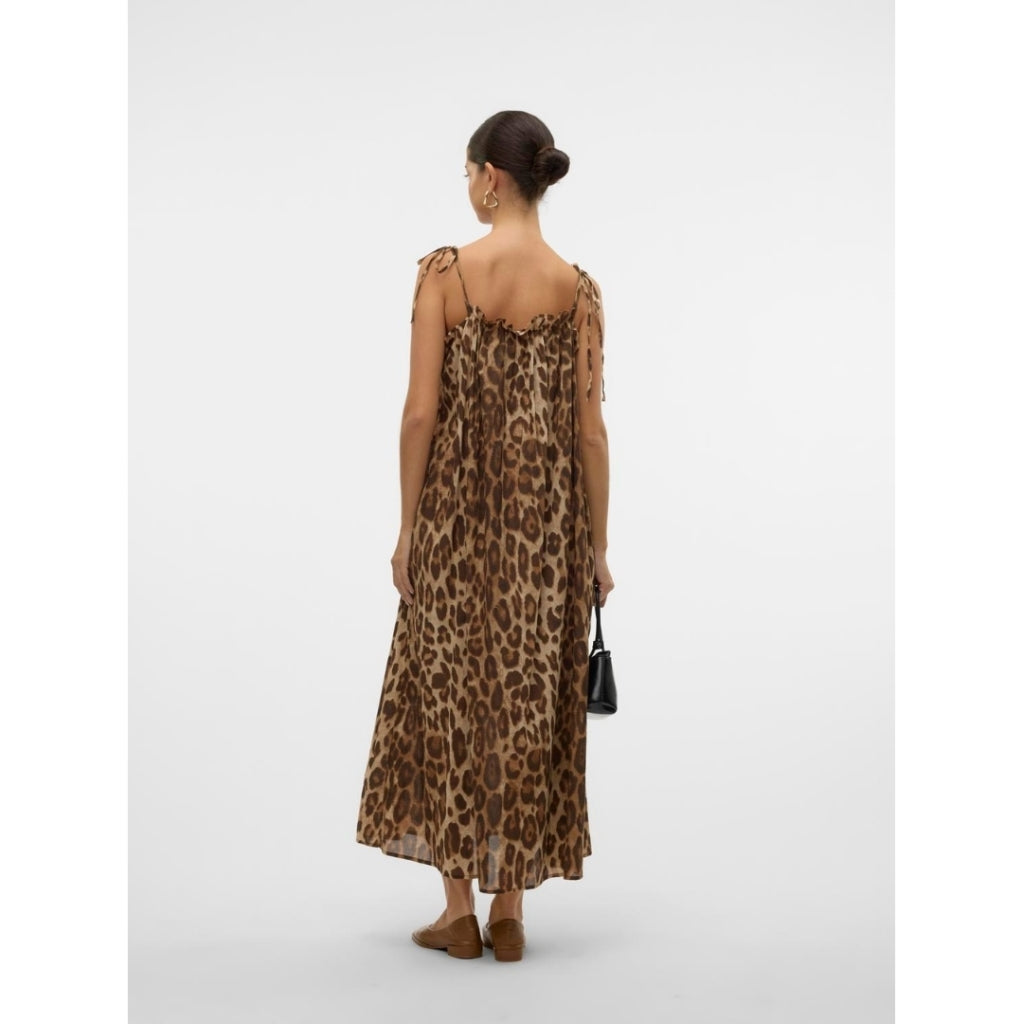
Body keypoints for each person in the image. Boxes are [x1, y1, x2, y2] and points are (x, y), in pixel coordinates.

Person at [355, 110, 614, 962]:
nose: (467, 187)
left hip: (455, 528)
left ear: (492, 178)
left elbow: (419, 414)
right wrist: (596, 549)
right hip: (548, 537)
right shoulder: (579, 292)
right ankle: (510, 913)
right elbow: (590, 435)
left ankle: (457, 911)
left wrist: (407, 529)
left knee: (450, 701)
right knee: (529, 704)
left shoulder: (444, 275)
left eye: (469, 173)